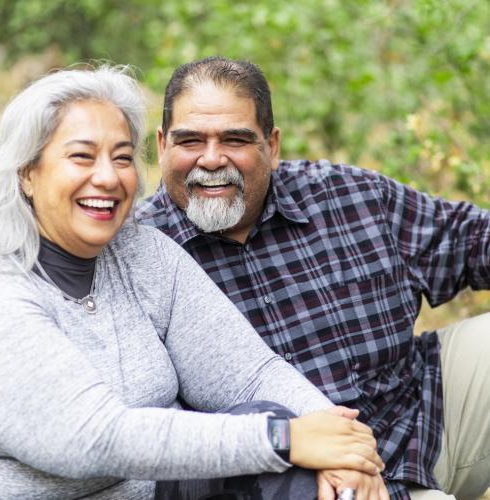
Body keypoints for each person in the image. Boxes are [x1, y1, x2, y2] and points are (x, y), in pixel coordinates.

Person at [0, 66, 385, 499]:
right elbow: (92, 437)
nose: (107, 177)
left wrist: (343, 448)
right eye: (82, 157)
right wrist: (286, 439)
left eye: (121, 157)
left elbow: (250, 375)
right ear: (27, 172)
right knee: (276, 438)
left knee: (279, 429)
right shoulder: (2, 292)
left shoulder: (143, 254)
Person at [136, 56, 490, 500]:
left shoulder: (347, 195)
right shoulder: (138, 255)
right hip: (304, 483)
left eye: (235, 139)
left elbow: (472, 238)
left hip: (421, 420)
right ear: (162, 144)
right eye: (191, 140)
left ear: (273, 145)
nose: (211, 159)